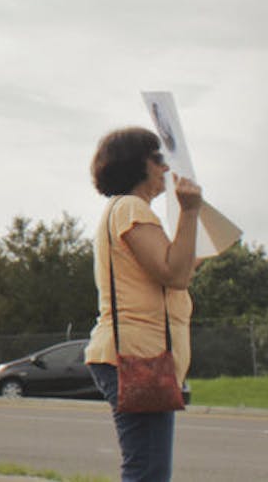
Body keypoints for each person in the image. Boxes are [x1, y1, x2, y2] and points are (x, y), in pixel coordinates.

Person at [83, 127, 204, 482]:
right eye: (159, 158)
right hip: (138, 356)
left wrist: (198, 239)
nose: (166, 168)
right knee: (148, 470)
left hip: (137, 354)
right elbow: (174, 274)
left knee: (146, 466)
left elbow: (176, 268)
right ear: (138, 164)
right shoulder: (131, 208)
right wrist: (191, 213)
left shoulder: (124, 210)